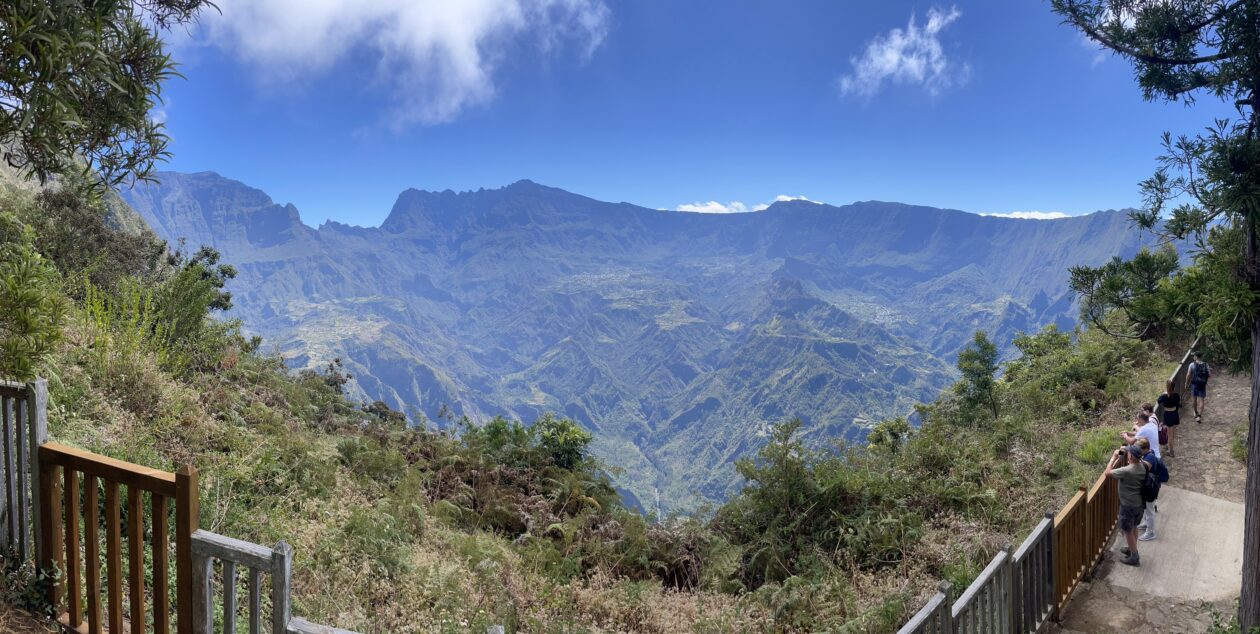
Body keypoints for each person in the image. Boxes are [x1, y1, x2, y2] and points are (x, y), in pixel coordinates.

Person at [1107, 444, 1148, 566]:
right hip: (1139, 504)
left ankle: (1134, 557)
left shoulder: (1127, 471)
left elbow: (1107, 473)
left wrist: (1113, 458)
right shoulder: (1143, 466)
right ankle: (1132, 549)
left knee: (1127, 530)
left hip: (1128, 506)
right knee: (1134, 526)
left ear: (1130, 456)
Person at [1134, 437, 1168, 542]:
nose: (1137, 452)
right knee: (1147, 508)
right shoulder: (1148, 454)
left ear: (1144, 449)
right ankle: (1146, 523)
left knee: (1150, 510)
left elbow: (1141, 470)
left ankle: (1151, 532)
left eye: (1138, 450)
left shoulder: (1149, 458)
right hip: (1149, 487)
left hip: (1151, 489)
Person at [1157, 380, 1182, 457]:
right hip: (1175, 414)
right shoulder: (1176, 395)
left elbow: (1158, 401)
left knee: (1169, 435)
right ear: (1174, 387)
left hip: (1168, 416)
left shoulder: (1164, 396)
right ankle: (1170, 447)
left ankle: (1171, 452)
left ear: (1167, 387)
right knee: (1172, 434)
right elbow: (1178, 405)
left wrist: (1164, 393)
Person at [1186, 352, 1211, 423]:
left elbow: (1188, 375)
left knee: (1194, 399)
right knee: (1202, 400)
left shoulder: (1192, 365)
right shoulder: (1206, 364)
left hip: (1194, 384)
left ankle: (1195, 412)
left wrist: (1186, 383)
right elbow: (1209, 375)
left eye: (1194, 356)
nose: (1193, 357)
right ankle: (1199, 416)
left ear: (1196, 357)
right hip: (1202, 385)